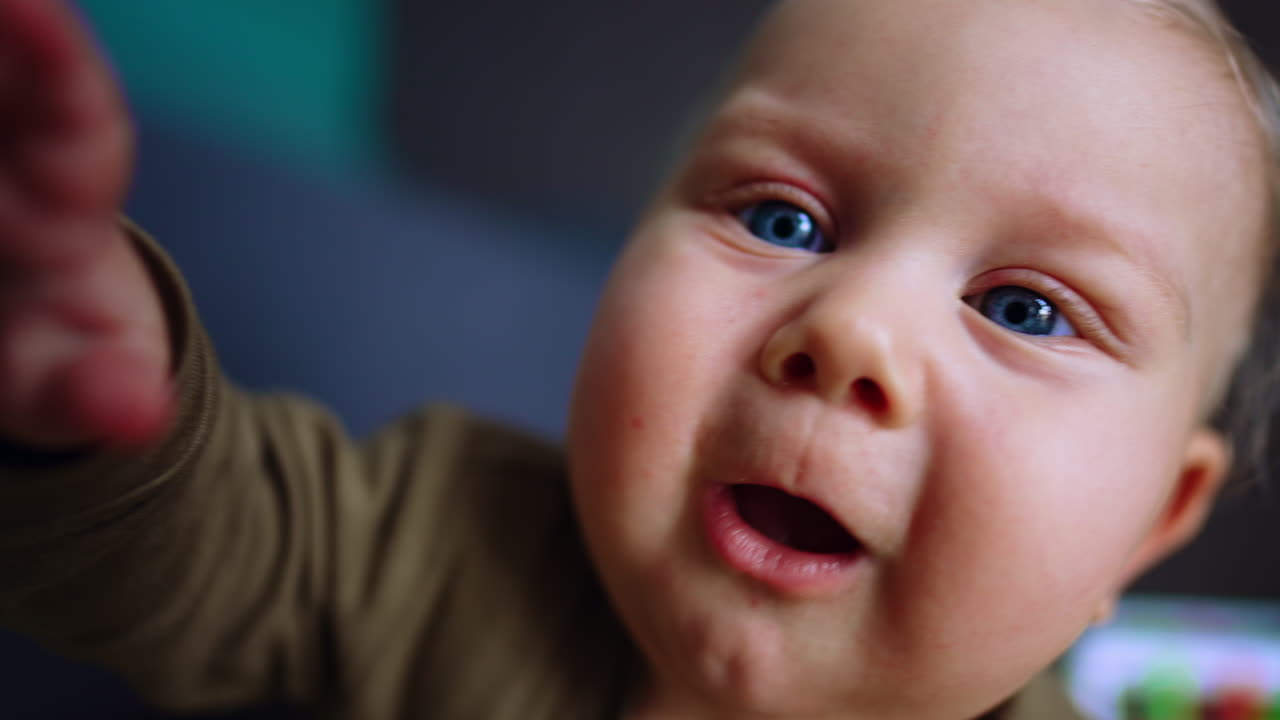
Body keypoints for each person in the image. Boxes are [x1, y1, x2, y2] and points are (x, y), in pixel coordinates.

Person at [0, 0, 1276, 718]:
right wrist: (103, 410)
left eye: (1030, 310)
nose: (848, 331)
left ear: (1150, 523)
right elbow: (189, 548)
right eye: (781, 220)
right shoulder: (438, 544)